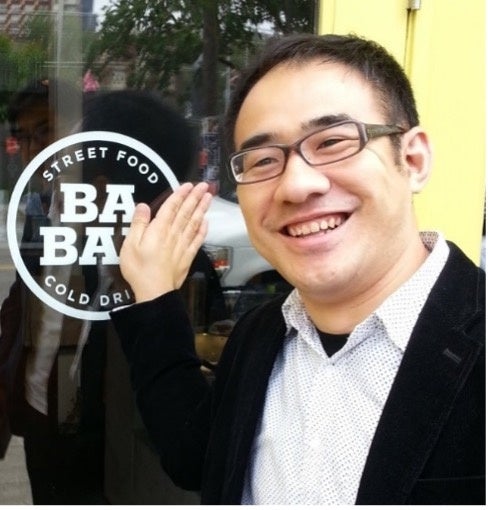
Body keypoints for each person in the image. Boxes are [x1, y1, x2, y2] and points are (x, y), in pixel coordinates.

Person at [110, 33, 485, 505]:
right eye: (264, 160)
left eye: (333, 142)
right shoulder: (260, 335)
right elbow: (194, 455)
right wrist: (153, 294)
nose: (296, 185)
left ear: (412, 160)